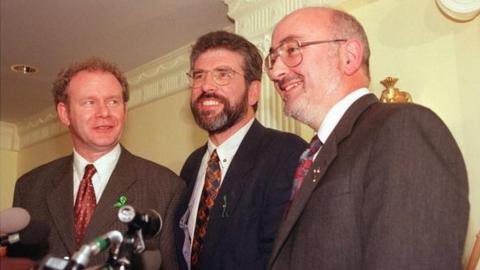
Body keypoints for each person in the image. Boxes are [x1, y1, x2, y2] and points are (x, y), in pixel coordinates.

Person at [265, 7, 469, 270]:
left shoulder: (401, 129)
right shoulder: (315, 155)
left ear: (349, 57)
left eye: (292, 49)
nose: (275, 72)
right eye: (272, 57)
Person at [12, 57, 185, 270]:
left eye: (113, 101)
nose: (104, 112)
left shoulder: (165, 187)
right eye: (89, 102)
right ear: (64, 113)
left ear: (125, 109)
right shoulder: (30, 187)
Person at [175, 31, 307, 270]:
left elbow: (284, 257)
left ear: (253, 92)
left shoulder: (287, 154)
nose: (206, 86)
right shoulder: (192, 165)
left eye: (223, 74)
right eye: (199, 75)